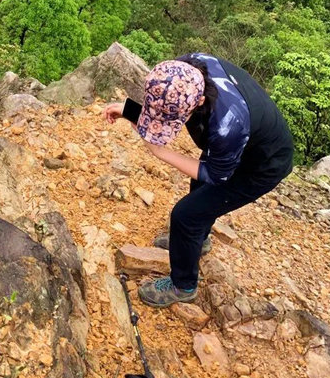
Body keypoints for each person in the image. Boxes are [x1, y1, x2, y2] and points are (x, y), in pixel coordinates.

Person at [104, 53, 293, 308]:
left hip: (261, 165)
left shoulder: (227, 125)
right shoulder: (187, 68)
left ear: (200, 102)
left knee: (186, 215)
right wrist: (131, 110)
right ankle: (197, 241)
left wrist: (160, 152)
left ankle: (183, 285)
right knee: (197, 191)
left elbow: (215, 174)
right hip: (240, 144)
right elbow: (168, 104)